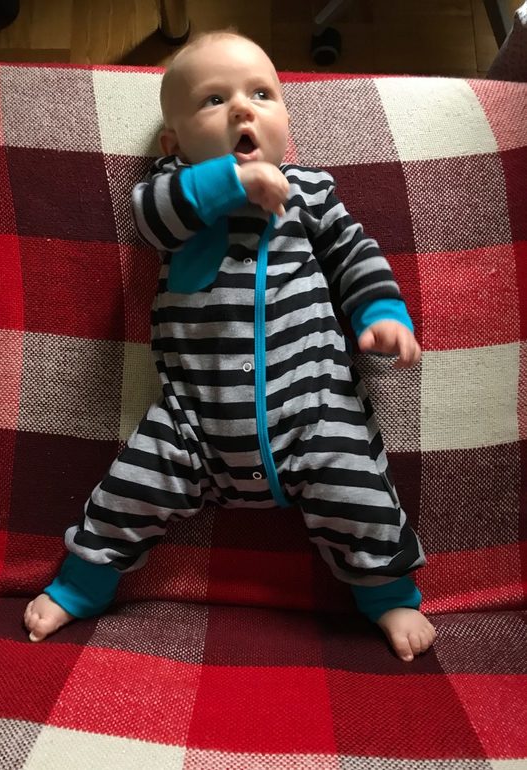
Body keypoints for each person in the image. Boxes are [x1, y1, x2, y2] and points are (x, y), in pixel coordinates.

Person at [24, 30, 436, 662]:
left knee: (359, 494)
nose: (243, 108)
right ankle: (83, 583)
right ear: (175, 145)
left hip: (313, 410)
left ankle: (387, 594)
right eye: (214, 100)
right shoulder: (174, 192)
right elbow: (153, 218)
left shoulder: (310, 193)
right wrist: (231, 182)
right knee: (127, 491)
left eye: (262, 94)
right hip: (191, 421)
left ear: (286, 124)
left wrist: (382, 313)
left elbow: (355, 255)